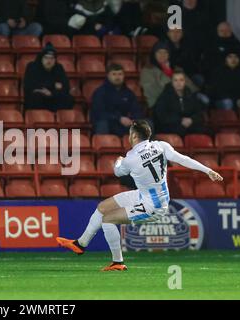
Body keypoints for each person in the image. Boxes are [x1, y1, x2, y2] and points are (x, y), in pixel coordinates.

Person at [57, 120, 223, 271]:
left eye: (130, 133)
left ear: (135, 136)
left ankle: (117, 262)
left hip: (153, 205)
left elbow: (118, 172)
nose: (129, 136)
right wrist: (207, 170)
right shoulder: (161, 146)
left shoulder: (131, 158)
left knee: (108, 219)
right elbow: (183, 159)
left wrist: (119, 160)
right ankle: (81, 243)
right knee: (102, 207)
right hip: (145, 194)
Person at [140, 41, 198, 108]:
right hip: (160, 103)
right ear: (154, 54)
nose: (162, 55)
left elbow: (190, 85)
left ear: (169, 54)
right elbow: (151, 91)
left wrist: (170, 72)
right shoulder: (147, 70)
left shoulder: (176, 68)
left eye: (165, 52)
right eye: (159, 52)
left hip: (182, 100)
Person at [90, 63, 143, 136]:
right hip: (109, 123)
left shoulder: (129, 93)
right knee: (102, 124)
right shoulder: (100, 93)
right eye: (114, 74)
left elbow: (136, 109)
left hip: (126, 124)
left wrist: (133, 120)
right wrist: (119, 118)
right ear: (108, 75)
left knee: (146, 124)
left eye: (120, 74)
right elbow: (99, 113)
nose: (117, 77)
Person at [23, 43, 74, 111]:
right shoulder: (32, 67)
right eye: (46, 58)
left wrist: (51, 93)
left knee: (69, 98)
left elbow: (66, 87)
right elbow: (29, 85)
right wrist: (53, 86)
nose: (49, 61)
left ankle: (58, 119)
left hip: (53, 96)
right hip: (39, 96)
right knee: (36, 97)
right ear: (41, 58)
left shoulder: (58, 68)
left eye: (52, 58)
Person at [154, 70, 205, 136]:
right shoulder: (164, 97)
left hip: (189, 126)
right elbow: (162, 116)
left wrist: (191, 120)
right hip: (171, 127)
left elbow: (199, 113)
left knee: (201, 131)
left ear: (185, 82)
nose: (178, 83)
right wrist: (180, 120)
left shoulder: (191, 96)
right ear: (172, 82)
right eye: (176, 80)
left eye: (181, 80)